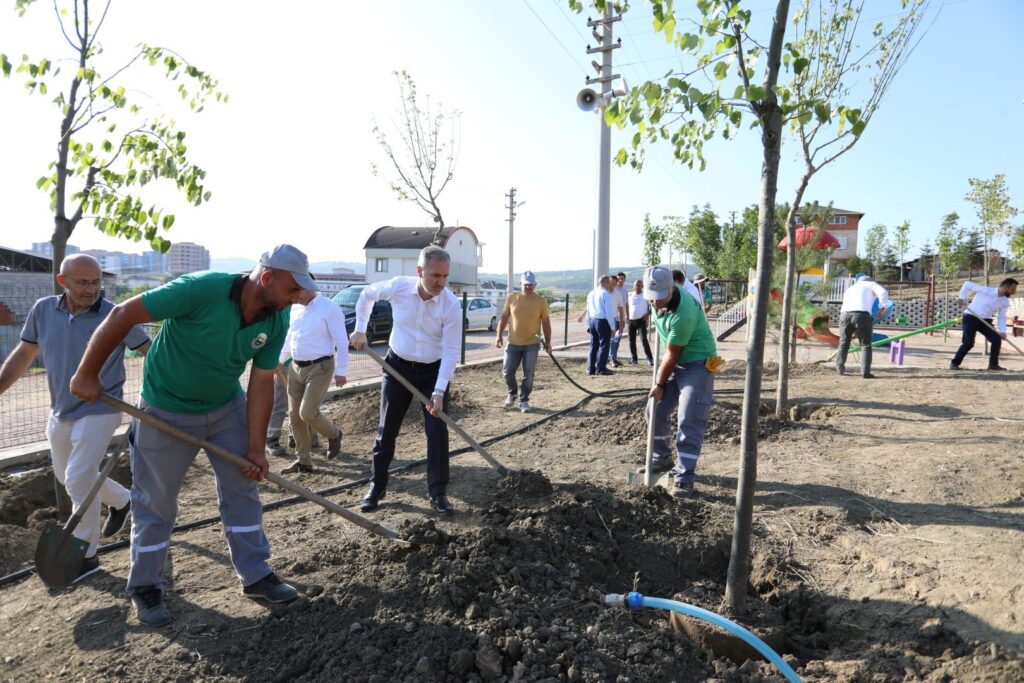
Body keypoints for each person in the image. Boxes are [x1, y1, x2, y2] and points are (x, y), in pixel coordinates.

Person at [70, 244, 315, 627]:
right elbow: (122, 314)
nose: (298, 297)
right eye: (292, 289)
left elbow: (262, 383)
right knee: (156, 501)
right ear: (267, 278)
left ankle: (255, 574)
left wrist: (255, 448)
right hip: (165, 408)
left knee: (243, 487)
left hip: (224, 407)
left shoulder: (275, 318)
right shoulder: (201, 290)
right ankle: (146, 586)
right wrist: (88, 373)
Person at [0, 254, 150, 583]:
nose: (91, 288)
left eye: (96, 281)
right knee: (69, 476)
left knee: (79, 477)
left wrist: (159, 392)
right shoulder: (43, 310)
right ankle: (124, 501)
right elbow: (25, 355)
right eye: (82, 282)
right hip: (61, 410)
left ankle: (87, 555)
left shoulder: (115, 314)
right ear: (62, 281)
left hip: (102, 406)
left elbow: (149, 351)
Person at [350, 245, 461, 515]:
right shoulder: (399, 287)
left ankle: (438, 492)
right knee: (386, 430)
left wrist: (438, 391)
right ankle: (377, 485)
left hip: (432, 372)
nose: (441, 282)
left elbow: (450, 352)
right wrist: (360, 330)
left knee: (437, 432)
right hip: (397, 367)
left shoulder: (451, 305)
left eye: (445, 276)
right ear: (420, 271)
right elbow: (366, 295)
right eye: (435, 275)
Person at [643, 266, 718, 499]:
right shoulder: (657, 298)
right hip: (673, 360)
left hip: (697, 363)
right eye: (650, 298)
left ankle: (685, 477)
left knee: (689, 417)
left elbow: (673, 353)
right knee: (654, 409)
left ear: (672, 288)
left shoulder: (683, 312)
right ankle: (661, 459)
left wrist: (659, 383)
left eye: (659, 299)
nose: (654, 303)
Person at [279, 288, 349, 474]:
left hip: (320, 367)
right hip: (295, 367)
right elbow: (290, 336)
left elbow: (341, 340)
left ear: (307, 288)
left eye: (296, 293)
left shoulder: (329, 308)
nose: (292, 298)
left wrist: (341, 370)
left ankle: (334, 434)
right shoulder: (296, 308)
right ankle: (304, 461)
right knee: (294, 416)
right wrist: (280, 359)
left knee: (307, 412)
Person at [495, 270, 553, 413]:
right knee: (507, 372)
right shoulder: (512, 298)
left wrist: (548, 342)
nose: (528, 287)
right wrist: (499, 335)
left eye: (531, 285)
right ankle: (512, 392)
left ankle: (524, 400)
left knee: (529, 374)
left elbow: (546, 322)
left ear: (535, 285)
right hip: (513, 342)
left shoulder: (540, 301)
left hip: (532, 344)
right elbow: (504, 317)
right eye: (526, 285)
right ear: (520, 284)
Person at [950, 278, 1018, 371]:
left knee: (996, 339)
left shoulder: (1005, 301)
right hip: (971, 317)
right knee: (968, 343)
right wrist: (962, 297)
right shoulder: (986, 290)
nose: (1014, 292)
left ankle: (993, 365)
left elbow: (1002, 317)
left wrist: (1003, 331)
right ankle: (954, 364)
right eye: (1013, 289)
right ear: (1006, 287)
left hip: (986, 321)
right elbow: (967, 284)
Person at [835, 274, 889, 379]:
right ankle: (865, 371)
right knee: (865, 345)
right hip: (861, 315)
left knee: (844, 343)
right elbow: (883, 292)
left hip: (844, 315)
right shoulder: (871, 284)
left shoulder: (851, 288)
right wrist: (883, 307)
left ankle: (839, 368)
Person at [578, 275, 617, 376]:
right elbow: (609, 313)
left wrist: (588, 323)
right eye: (609, 282)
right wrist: (613, 328)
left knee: (593, 345)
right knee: (604, 345)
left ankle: (591, 368)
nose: (610, 284)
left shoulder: (591, 293)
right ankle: (601, 368)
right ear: (605, 283)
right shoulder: (605, 294)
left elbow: (589, 309)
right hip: (602, 321)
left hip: (592, 320)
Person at [627, 278, 654, 366]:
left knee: (644, 340)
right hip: (631, 321)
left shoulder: (646, 296)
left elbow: (652, 307)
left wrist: (648, 314)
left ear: (642, 286)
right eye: (636, 285)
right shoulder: (630, 295)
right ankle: (634, 358)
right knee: (631, 340)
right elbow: (626, 306)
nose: (637, 287)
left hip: (641, 321)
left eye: (639, 285)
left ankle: (649, 358)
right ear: (633, 286)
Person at [608, 272, 629, 367]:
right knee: (612, 340)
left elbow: (625, 305)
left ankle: (614, 358)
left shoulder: (625, 291)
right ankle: (611, 359)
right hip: (612, 319)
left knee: (617, 340)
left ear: (624, 280)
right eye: (618, 279)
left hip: (621, 319)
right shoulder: (610, 291)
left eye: (622, 279)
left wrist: (626, 317)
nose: (620, 280)